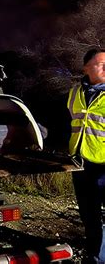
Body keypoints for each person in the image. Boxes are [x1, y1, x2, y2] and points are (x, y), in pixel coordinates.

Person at [68, 48, 105, 262]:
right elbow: (69, 124)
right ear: (86, 68)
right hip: (81, 164)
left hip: (104, 165)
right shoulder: (75, 92)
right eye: (100, 63)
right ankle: (94, 256)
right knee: (89, 216)